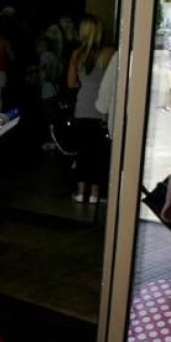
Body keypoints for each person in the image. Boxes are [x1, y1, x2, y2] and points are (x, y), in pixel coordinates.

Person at [67, 14, 116, 204]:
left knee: (82, 151)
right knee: (99, 153)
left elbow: (71, 84)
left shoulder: (77, 54)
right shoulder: (110, 53)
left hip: (82, 108)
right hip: (102, 110)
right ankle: (95, 194)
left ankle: (80, 192)